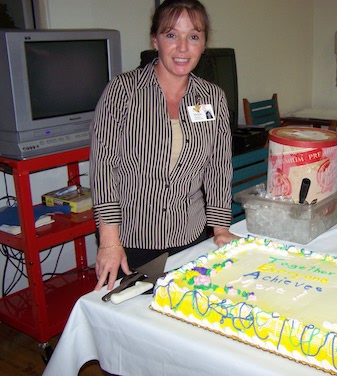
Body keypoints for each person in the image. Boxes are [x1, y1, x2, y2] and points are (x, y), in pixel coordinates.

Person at [90, 0, 238, 292]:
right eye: (172, 35)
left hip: (190, 236)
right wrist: (109, 242)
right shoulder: (123, 91)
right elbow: (104, 167)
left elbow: (218, 168)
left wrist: (220, 229)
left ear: (203, 43)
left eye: (193, 36)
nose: (183, 48)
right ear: (155, 40)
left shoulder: (213, 97)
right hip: (130, 242)